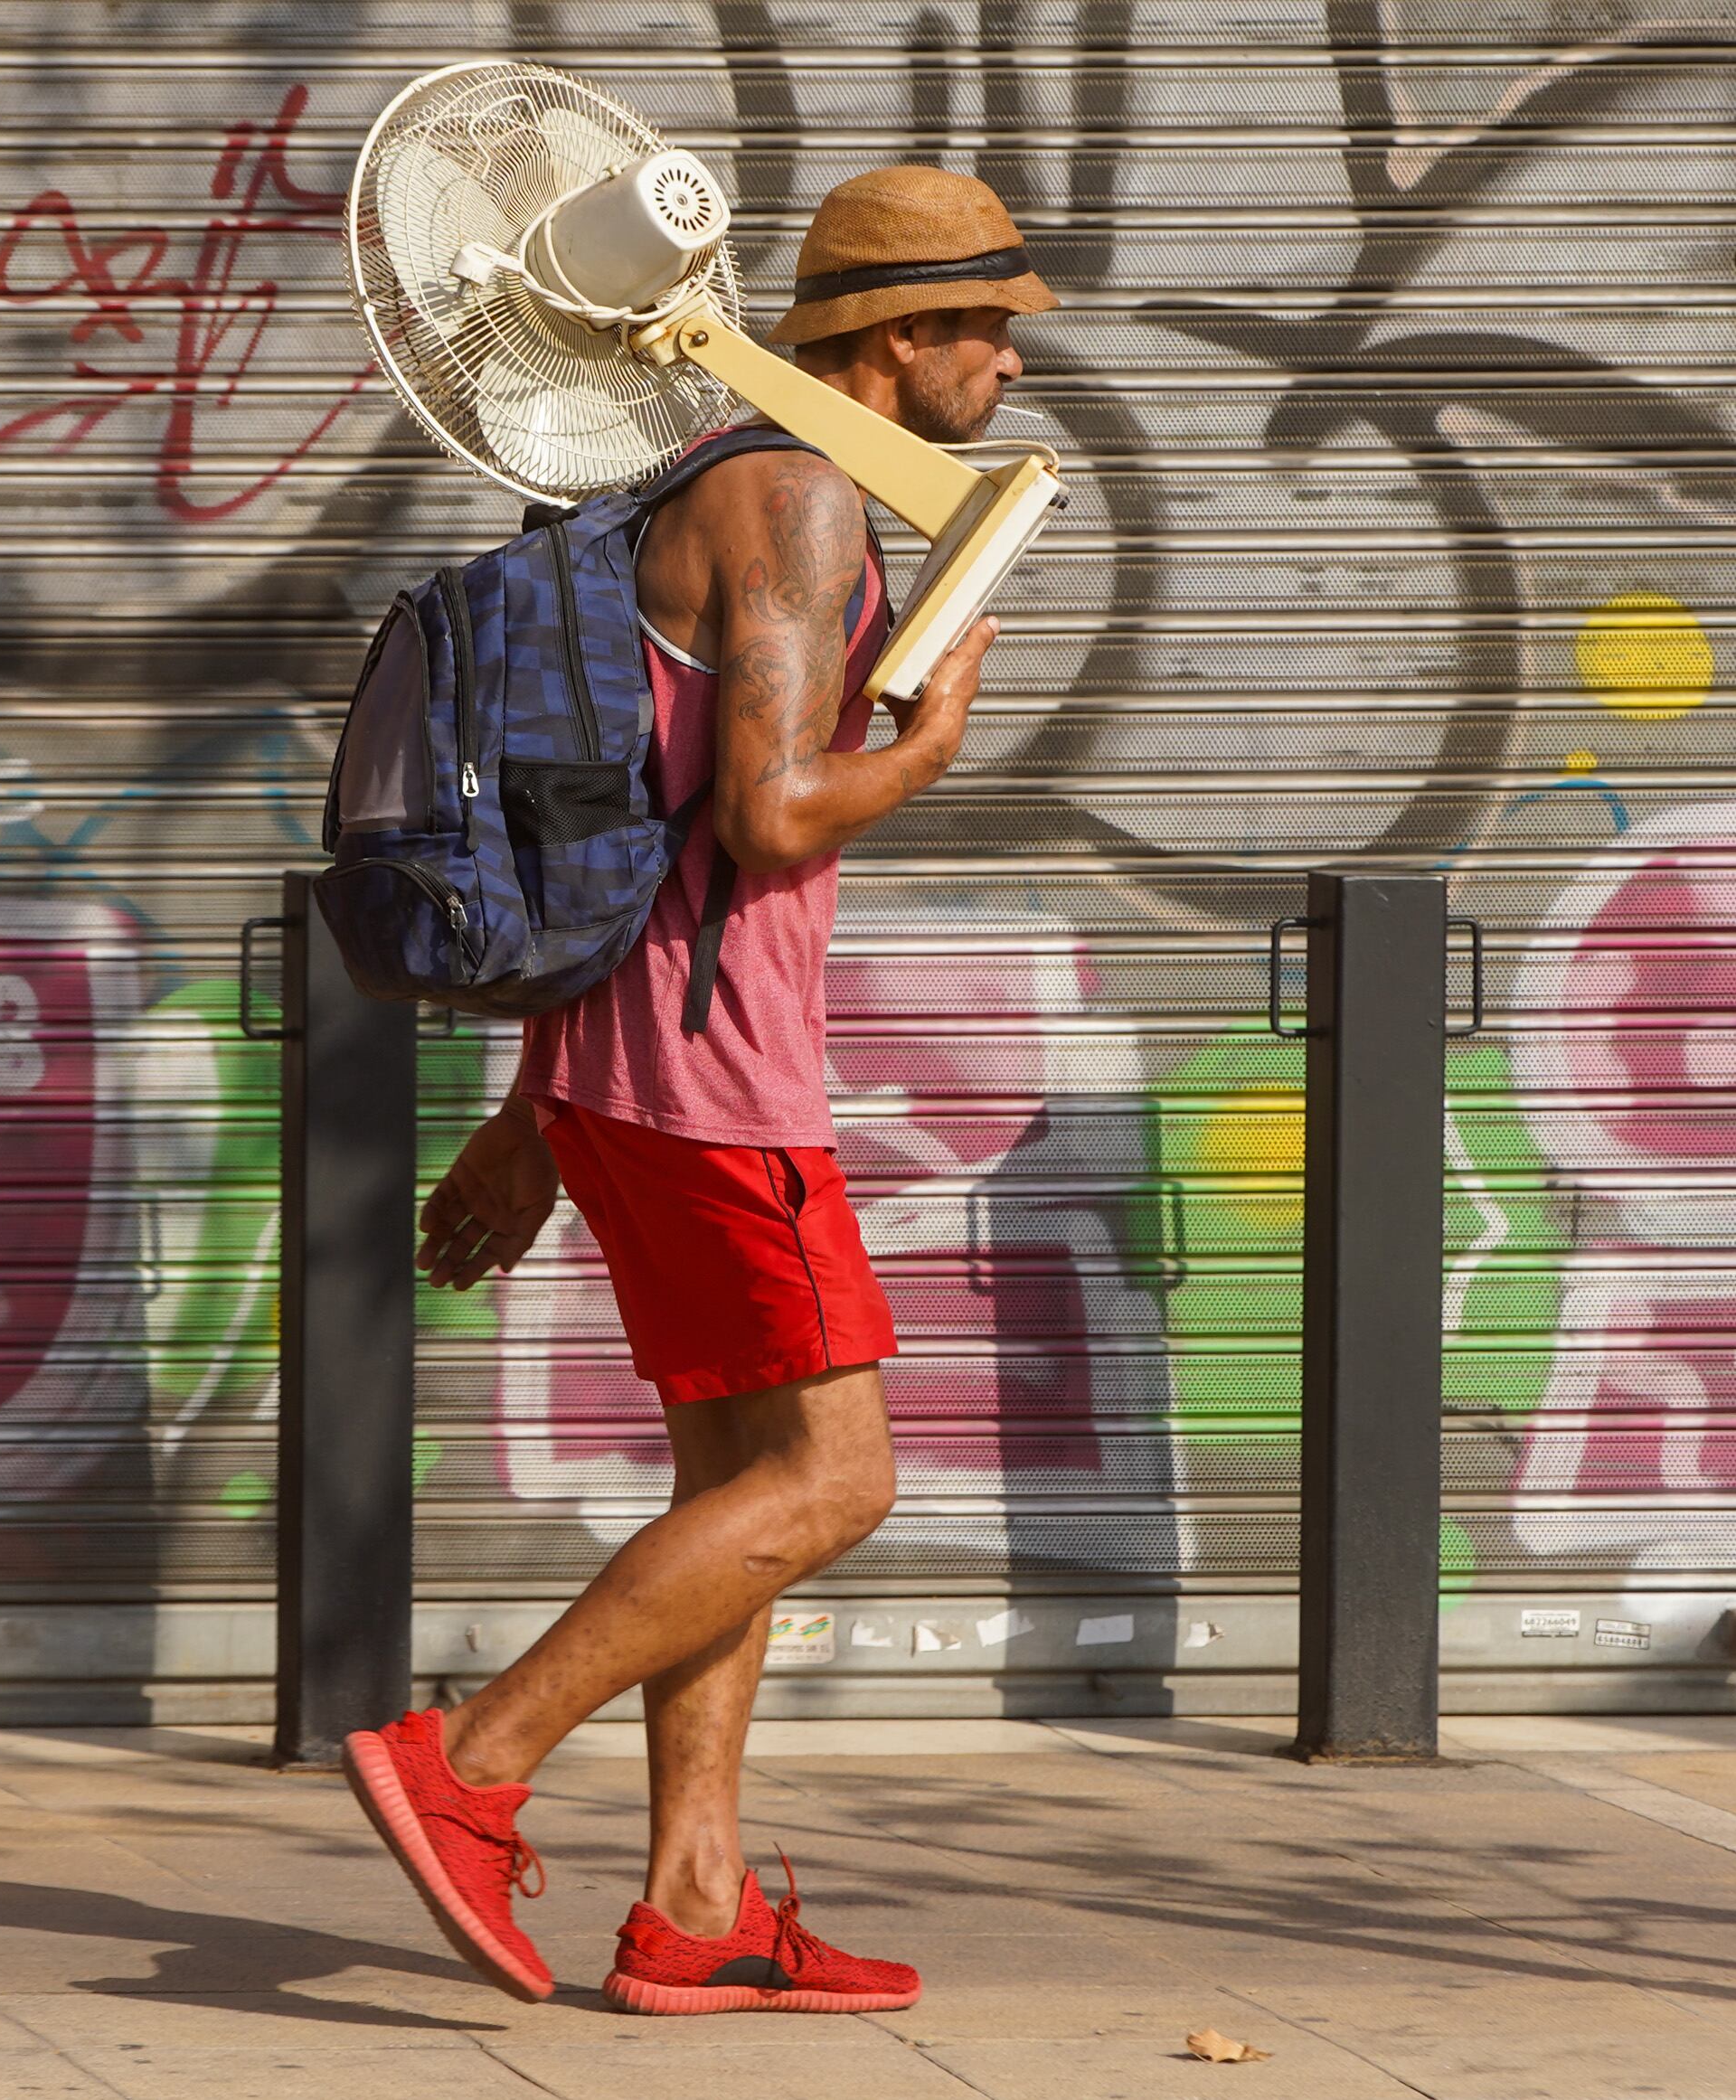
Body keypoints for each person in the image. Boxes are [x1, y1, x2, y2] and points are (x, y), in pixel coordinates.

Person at [342, 165, 1057, 2015]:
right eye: (987, 327)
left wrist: (533, 1108)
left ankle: (697, 1901)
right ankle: (470, 1762)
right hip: (716, 1077)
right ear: (900, 339)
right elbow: (761, 813)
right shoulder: (802, 498)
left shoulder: (718, 475)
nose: (1006, 361)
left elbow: (624, 810)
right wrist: (932, 750)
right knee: (833, 1474)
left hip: (623, 1065)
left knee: (733, 1473)